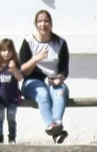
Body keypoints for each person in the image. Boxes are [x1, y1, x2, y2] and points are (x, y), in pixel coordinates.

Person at [19, 10, 71, 142]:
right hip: (32, 81)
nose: (43, 24)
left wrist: (59, 79)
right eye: (40, 21)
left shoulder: (60, 43)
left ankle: (56, 124)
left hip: (53, 80)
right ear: (36, 24)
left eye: (46, 21)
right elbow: (23, 70)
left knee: (60, 91)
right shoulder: (29, 41)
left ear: (51, 23)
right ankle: (52, 126)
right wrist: (36, 58)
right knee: (42, 94)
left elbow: (64, 69)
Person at [0, 38, 23, 143]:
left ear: (13, 52)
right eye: (3, 50)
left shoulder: (15, 65)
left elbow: (20, 78)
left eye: (9, 51)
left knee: (11, 119)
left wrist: (14, 69)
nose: (6, 53)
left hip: (12, 98)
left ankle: (12, 138)